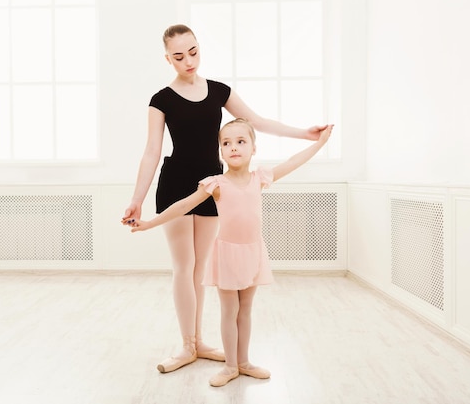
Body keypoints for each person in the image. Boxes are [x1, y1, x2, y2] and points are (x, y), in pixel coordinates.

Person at [121, 24, 331, 374]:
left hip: (214, 185)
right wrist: (136, 199)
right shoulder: (161, 100)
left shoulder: (219, 91)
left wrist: (304, 133)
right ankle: (187, 345)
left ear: (199, 48)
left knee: (201, 269)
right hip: (175, 185)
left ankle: (200, 342)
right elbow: (151, 152)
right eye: (178, 56)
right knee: (183, 267)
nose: (188, 60)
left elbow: (258, 123)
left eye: (193, 51)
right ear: (167, 58)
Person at [128, 118, 334, 387]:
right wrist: (149, 225)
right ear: (220, 152)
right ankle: (229, 367)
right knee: (229, 311)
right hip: (226, 255)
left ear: (253, 148)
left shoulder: (260, 178)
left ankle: (244, 362)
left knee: (245, 310)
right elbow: (182, 206)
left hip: (253, 253)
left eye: (240, 141)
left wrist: (320, 143)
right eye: (226, 143)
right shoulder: (215, 184)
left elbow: (294, 162)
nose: (233, 147)